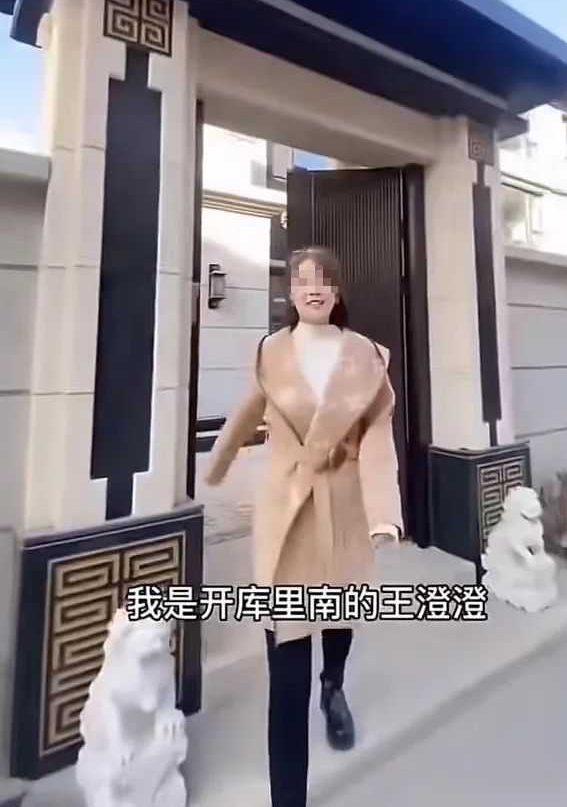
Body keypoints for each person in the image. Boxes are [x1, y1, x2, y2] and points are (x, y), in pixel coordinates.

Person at [204, 246, 404, 807]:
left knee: (338, 621)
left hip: (343, 508)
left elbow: (378, 439)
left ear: (337, 292)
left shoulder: (367, 357)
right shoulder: (270, 350)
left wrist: (384, 512)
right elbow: (249, 409)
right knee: (286, 668)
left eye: (324, 280)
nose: (313, 288)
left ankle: (332, 685)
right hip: (287, 512)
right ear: (289, 291)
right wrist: (217, 462)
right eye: (302, 279)